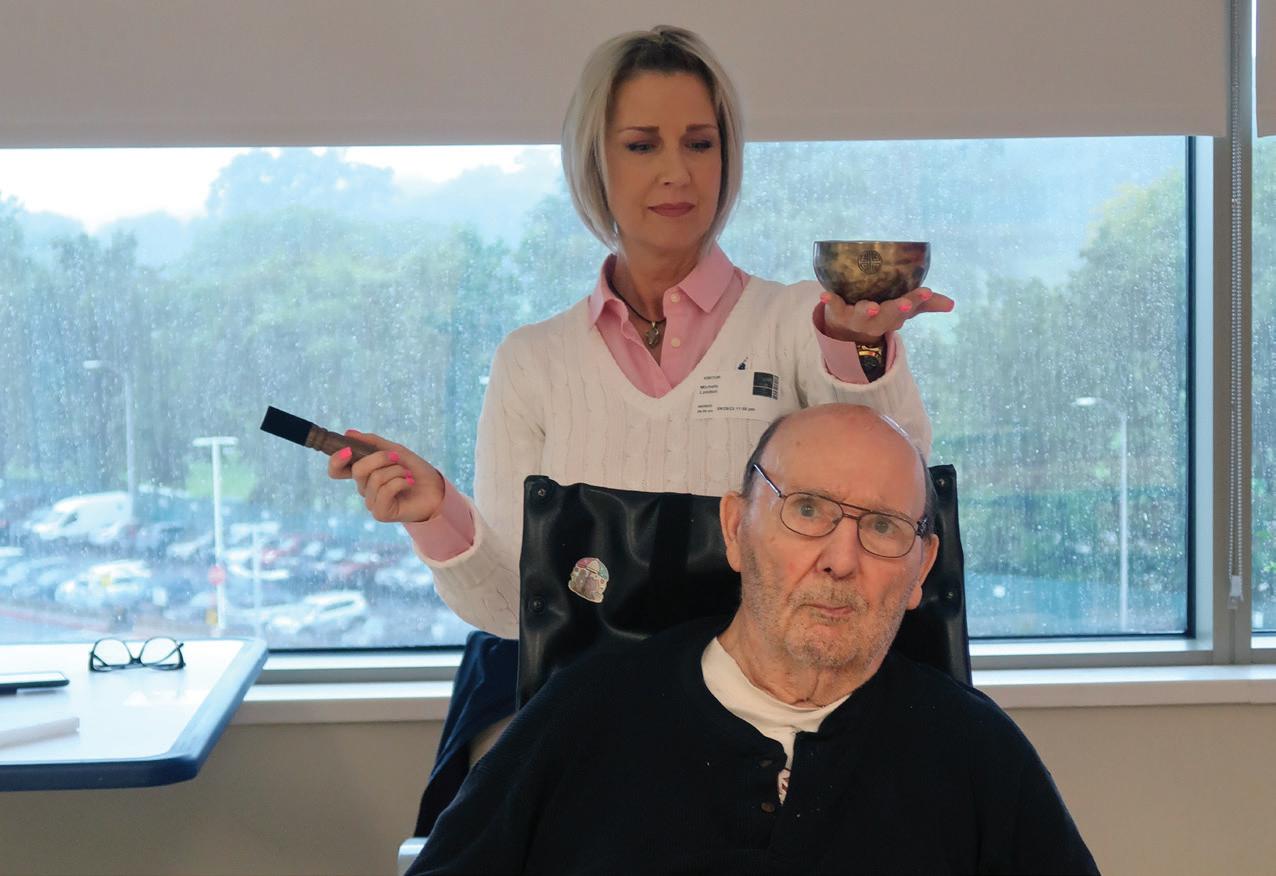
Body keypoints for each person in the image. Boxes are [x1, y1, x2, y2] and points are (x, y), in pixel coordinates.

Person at [331, 24, 953, 822]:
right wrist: (434, 513)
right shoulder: (534, 361)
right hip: (598, 743)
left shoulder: (802, 321)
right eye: (641, 145)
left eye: (699, 143)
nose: (676, 172)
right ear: (595, 162)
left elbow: (894, 487)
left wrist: (857, 344)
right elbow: (513, 612)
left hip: (782, 741)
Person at [406, 405, 1098, 876]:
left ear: (922, 569)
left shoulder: (977, 753)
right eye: (808, 510)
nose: (841, 559)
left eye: (884, 527)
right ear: (736, 529)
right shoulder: (584, 715)